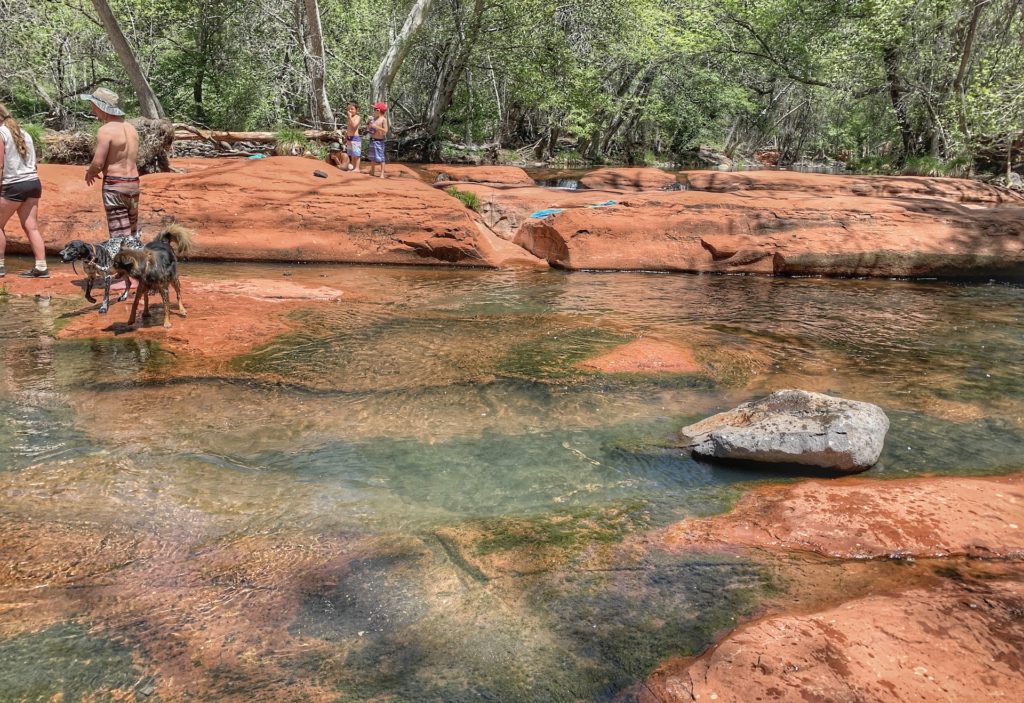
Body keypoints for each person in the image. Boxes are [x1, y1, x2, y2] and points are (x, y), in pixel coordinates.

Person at [80, 88, 142, 250]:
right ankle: (136, 271)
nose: (93, 110)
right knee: (131, 232)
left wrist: (90, 172)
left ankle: (125, 274)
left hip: (115, 185)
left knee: (119, 235)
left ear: (102, 107)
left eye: (93, 106)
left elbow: (98, 163)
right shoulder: (131, 129)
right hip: (134, 184)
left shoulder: (105, 130)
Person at [0, 103, 48, 278]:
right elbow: (33, 164)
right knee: (31, 227)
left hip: (13, 185)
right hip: (33, 183)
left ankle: (0, 267)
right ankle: (41, 266)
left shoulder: (1, 134)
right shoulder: (25, 133)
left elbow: (0, 166)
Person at [367, 102, 389, 178]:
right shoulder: (374, 119)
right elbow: (368, 128)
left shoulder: (383, 119)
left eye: (374, 109)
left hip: (379, 141)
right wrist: (368, 122)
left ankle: (382, 173)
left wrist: (376, 127)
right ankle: (372, 171)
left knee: (381, 157)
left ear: (378, 110)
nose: (373, 111)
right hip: (372, 139)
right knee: (372, 157)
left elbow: (385, 130)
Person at [339, 102, 362, 172]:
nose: (350, 111)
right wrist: (346, 137)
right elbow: (348, 128)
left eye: (352, 109)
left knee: (356, 154)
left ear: (356, 110)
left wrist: (349, 117)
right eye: (348, 109)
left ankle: (357, 168)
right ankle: (354, 167)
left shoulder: (358, 117)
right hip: (349, 138)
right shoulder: (349, 118)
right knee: (352, 154)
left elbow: (354, 126)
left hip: (355, 138)